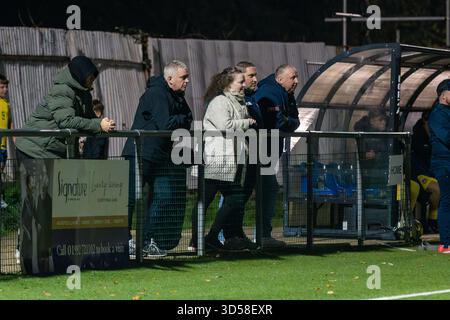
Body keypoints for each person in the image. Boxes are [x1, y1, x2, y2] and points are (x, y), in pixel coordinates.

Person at [122, 60, 192, 257]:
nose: (187, 82)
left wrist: (179, 120)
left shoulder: (177, 96)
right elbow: (166, 125)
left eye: (187, 77)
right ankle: (124, 240)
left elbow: (188, 118)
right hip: (140, 152)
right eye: (183, 78)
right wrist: (180, 120)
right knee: (130, 198)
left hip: (160, 155)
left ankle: (147, 240)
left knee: (164, 195)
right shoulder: (157, 94)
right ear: (170, 79)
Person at [189, 67, 256, 251]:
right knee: (206, 200)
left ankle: (210, 237)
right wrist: (247, 122)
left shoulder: (239, 102)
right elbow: (224, 125)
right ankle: (197, 241)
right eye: (240, 81)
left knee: (234, 199)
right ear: (228, 84)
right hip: (216, 160)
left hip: (230, 162)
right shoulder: (220, 101)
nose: (244, 85)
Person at [15, 55, 116, 160]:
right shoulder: (62, 90)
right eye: (89, 77)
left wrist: (104, 123)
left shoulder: (84, 93)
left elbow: (89, 119)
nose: (92, 81)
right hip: (33, 149)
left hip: (51, 151)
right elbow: (66, 121)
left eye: (93, 78)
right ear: (79, 75)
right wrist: (99, 125)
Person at [252, 64, 300, 248]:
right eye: (292, 77)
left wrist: (289, 121)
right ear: (280, 79)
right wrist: (288, 121)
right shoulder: (270, 92)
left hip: (268, 152)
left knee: (266, 189)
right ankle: (259, 235)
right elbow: (280, 123)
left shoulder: (285, 93)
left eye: (296, 77)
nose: (296, 81)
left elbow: (295, 120)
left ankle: (261, 234)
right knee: (262, 190)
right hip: (262, 151)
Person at [220, 61, 262, 250]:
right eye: (250, 75)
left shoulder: (250, 98)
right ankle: (221, 235)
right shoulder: (227, 99)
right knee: (229, 195)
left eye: (255, 75)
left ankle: (235, 233)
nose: (254, 79)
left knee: (241, 196)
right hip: (231, 155)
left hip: (248, 154)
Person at [428, 79, 450, 253]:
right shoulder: (438, 113)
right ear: (443, 95)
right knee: (447, 200)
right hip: (444, 162)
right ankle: (445, 243)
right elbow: (446, 136)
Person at [411, 111, 440, 233]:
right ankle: (432, 221)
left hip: (433, 172)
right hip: (419, 173)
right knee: (437, 189)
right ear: (425, 122)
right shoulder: (417, 138)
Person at [0, 74, 13, 209]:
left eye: (6, 87)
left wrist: (15, 140)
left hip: (3, 147)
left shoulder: (6, 105)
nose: (5, 89)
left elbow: (10, 124)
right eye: (2, 87)